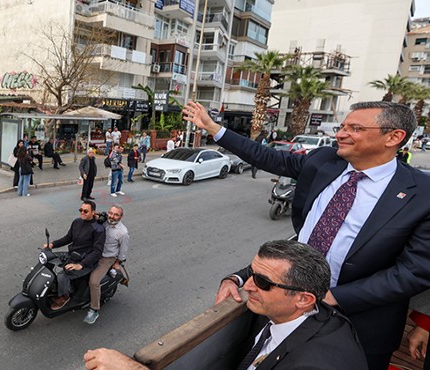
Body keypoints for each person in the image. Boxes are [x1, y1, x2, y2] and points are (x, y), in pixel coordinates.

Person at [183, 100, 430, 369]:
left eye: (355, 128)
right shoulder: (324, 161)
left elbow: (414, 271)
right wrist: (213, 128)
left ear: (394, 137)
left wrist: (335, 297)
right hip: (283, 310)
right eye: (342, 126)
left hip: (361, 324)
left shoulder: (422, 194)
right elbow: (268, 157)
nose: (340, 134)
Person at [84, 240, 367, 370]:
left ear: (304, 299)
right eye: (250, 275)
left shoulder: (316, 363)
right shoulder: (293, 316)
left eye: (263, 282)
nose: (247, 286)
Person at [43, 201, 105, 310]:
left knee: (63, 275)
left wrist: (81, 265)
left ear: (93, 212)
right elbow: (68, 238)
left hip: (86, 261)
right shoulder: (77, 222)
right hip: (73, 255)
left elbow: (97, 251)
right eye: (81, 210)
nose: (82, 213)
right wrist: (53, 244)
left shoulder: (98, 229)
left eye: (86, 211)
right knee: (50, 261)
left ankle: (64, 296)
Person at [84, 205, 129, 325]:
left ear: (121, 216)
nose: (112, 216)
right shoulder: (104, 222)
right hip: (94, 252)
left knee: (94, 282)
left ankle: (94, 309)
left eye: (116, 214)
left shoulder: (123, 232)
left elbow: (123, 250)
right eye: (110, 213)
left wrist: (117, 262)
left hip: (107, 258)